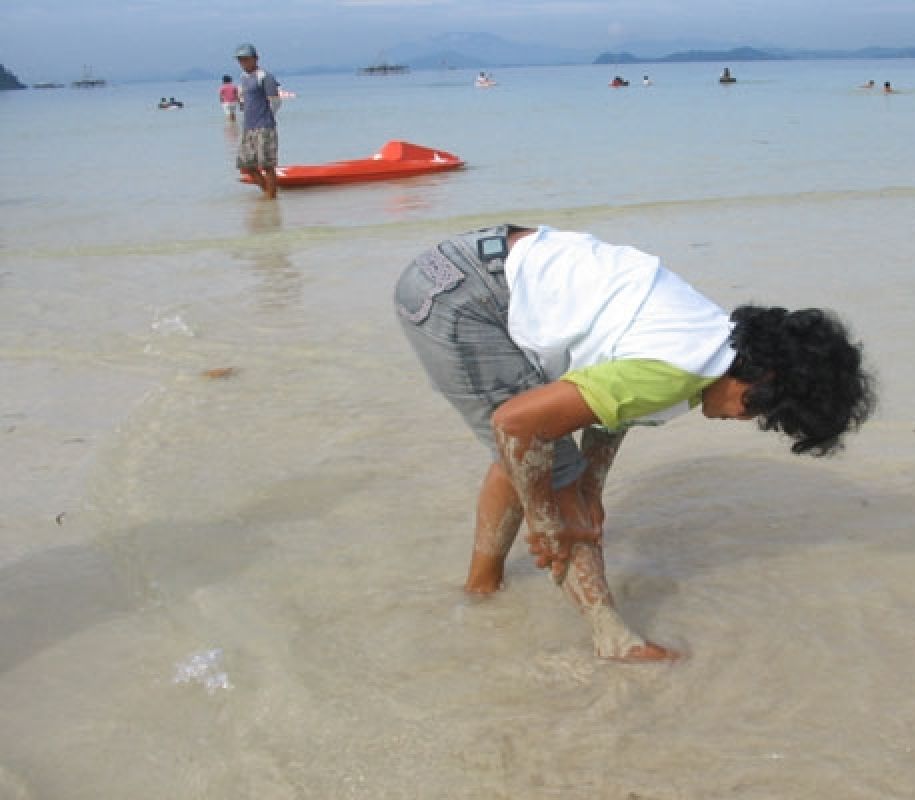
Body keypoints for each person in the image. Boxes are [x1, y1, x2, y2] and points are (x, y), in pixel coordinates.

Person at [394, 225, 875, 662]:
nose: (747, 419)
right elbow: (518, 425)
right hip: (459, 299)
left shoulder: (711, 339)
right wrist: (549, 522)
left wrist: (592, 490)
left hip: (473, 266)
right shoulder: (677, 372)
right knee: (548, 461)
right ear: (766, 376)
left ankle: (482, 590)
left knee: (545, 461)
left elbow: (613, 403)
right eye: (761, 409)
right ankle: (612, 639)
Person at [234, 43, 281, 199]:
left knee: (267, 165)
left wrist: (267, 117)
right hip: (248, 127)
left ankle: (271, 198)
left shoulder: (265, 76)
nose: (244, 63)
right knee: (247, 166)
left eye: (246, 59)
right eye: (241, 60)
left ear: (255, 59)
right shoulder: (243, 78)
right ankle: (268, 193)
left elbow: (275, 101)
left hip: (264, 127)